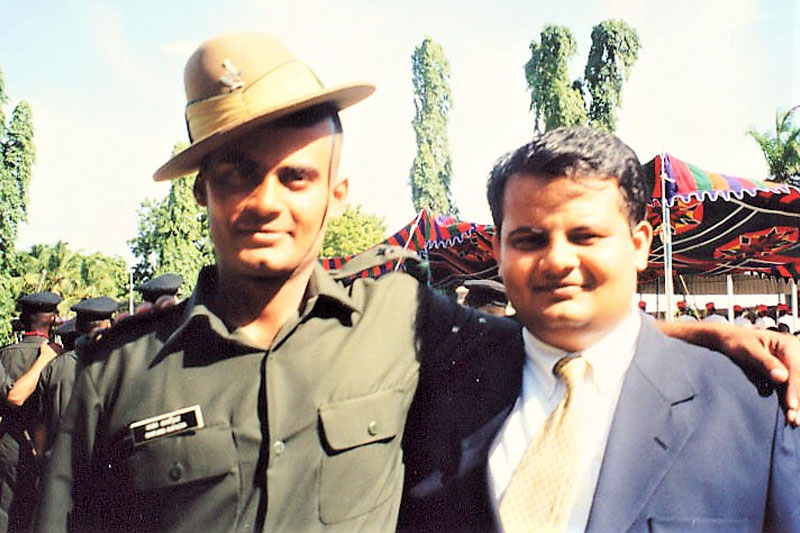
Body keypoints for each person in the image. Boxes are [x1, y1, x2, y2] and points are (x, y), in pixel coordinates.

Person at [35, 33, 800, 533]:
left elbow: (562, 332)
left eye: (296, 176)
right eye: (235, 174)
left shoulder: (399, 315)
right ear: (201, 192)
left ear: (336, 192)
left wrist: (713, 335)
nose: (265, 200)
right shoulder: (107, 376)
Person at [400, 127, 800, 532]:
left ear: (640, 243)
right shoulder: (432, 397)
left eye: (585, 236)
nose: (557, 260)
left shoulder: (757, 410)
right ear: (498, 254)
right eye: (529, 240)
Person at [0, 291, 61, 533]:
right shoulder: (61, 358)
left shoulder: (5, 355)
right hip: (49, 449)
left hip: (9, 448)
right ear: (54, 319)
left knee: (6, 514)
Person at [39, 297, 118, 453]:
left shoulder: (54, 366)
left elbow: (41, 420)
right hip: (101, 459)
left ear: (79, 328)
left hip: (59, 458)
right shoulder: (115, 361)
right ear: (108, 325)